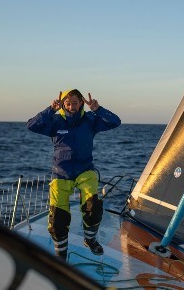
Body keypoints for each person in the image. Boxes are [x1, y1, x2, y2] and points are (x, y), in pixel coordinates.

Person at [27, 89, 121, 260]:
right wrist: (50, 109)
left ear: (81, 103)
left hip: (85, 171)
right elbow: (32, 125)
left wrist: (98, 109)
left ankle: (90, 240)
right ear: (63, 104)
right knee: (58, 218)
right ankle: (61, 252)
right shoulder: (55, 121)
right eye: (68, 103)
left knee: (93, 207)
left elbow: (115, 122)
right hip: (61, 174)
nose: (71, 106)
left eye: (75, 103)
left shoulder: (90, 120)